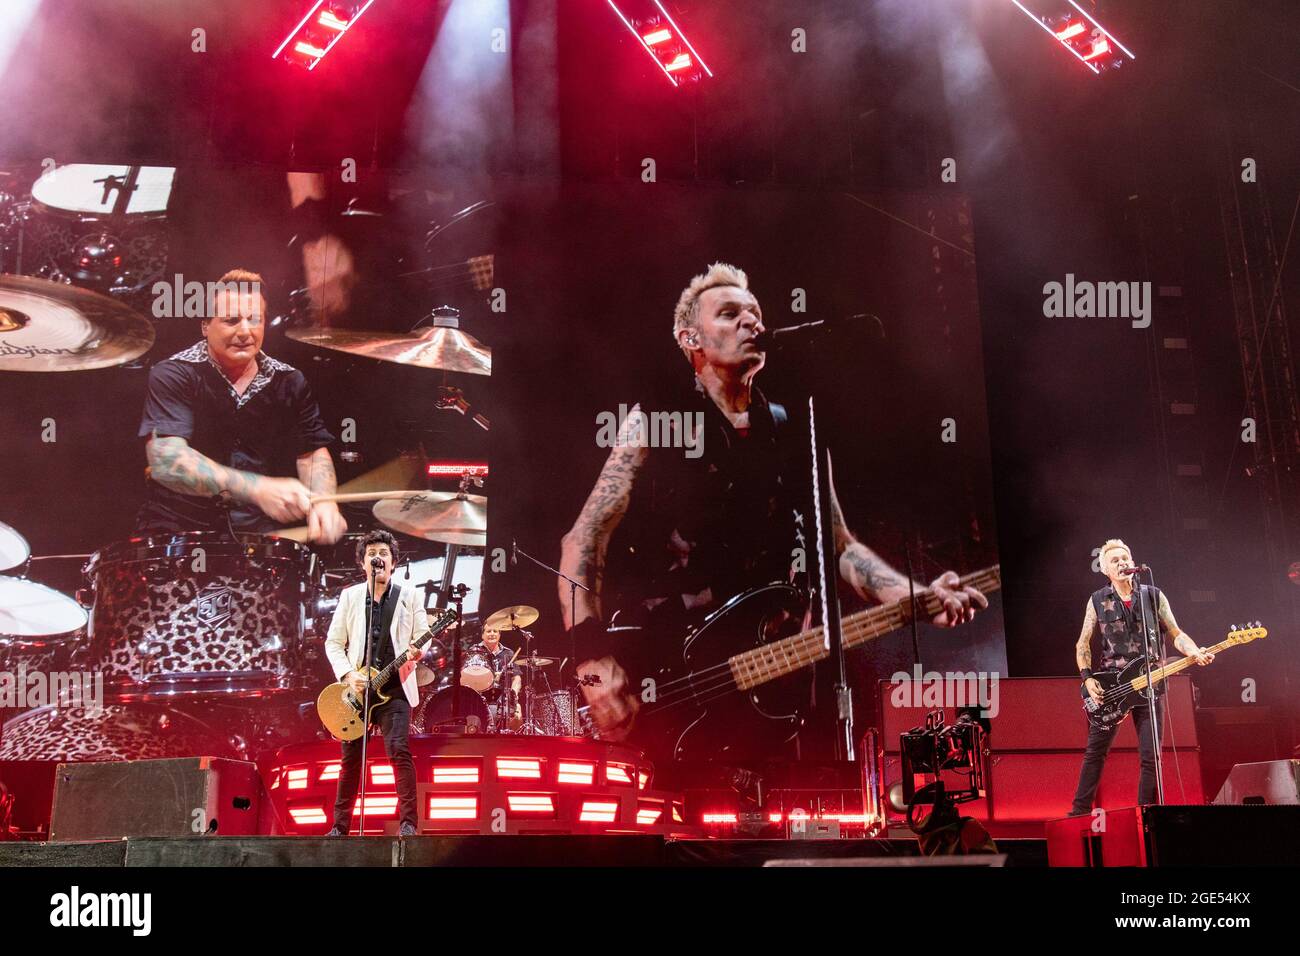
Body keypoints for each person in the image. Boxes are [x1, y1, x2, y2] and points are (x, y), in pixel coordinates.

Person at [558, 262, 988, 741]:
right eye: (729, 313)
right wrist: (591, 665)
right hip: (668, 670)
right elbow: (584, 540)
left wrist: (917, 599)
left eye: (755, 314)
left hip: (769, 677)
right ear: (690, 339)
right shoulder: (658, 421)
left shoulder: (793, 426)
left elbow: (840, 547)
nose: (752, 323)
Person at [137, 268, 347, 543]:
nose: (245, 331)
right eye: (232, 320)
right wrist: (257, 488)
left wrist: (324, 501)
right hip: (177, 534)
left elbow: (311, 453)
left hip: (256, 537)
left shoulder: (290, 380)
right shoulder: (174, 373)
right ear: (205, 326)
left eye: (255, 320)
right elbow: (167, 460)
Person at [1070, 538, 1214, 815]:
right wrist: (1088, 679)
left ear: (1133, 563)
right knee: (1095, 753)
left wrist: (1194, 651)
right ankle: (1078, 812)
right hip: (1111, 686)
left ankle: (1148, 813)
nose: (1122, 563)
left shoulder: (1153, 595)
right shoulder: (1098, 600)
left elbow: (1176, 633)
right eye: (1115, 561)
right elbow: (1083, 643)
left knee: (1151, 757)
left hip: (1150, 684)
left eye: (1126, 558)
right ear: (1105, 570)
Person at [323, 530, 429, 836]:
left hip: (394, 686)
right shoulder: (350, 596)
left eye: (383, 552)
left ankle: (408, 824)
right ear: (362, 563)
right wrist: (347, 674)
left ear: (393, 562)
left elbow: (424, 637)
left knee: (398, 748)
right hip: (357, 688)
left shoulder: (410, 595)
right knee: (350, 759)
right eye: (371, 554)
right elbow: (333, 643)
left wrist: (417, 650)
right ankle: (340, 827)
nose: (377, 558)